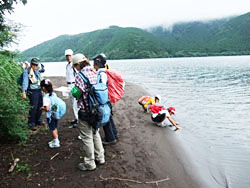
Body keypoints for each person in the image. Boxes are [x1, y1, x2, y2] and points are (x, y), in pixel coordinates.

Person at [72, 53, 105, 171]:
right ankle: (100, 157)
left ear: (77, 64)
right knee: (95, 133)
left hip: (85, 111)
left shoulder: (80, 76)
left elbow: (77, 94)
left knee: (86, 137)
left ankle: (90, 164)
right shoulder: (95, 72)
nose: (75, 68)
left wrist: (72, 91)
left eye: (75, 66)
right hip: (97, 110)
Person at [93, 53, 118, 145]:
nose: (93, 65)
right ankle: (114, 133)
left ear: (97, 64)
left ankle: (110, 138)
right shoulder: (105, 71)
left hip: (104, 99)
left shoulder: (101, 73)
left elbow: (102, 87)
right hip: (108, 98)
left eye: (94, 63)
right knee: (109, 116)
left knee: (105, 117)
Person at [22, 57, 43, 130]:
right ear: (31, 64)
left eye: (37, 65)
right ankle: (31, 123)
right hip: (32, 91)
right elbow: (25, 82)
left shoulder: (37, 70)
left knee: (40, 105)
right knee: (33, 107)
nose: (35, 67)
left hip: (39, 89)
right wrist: (24, 92)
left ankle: (38, 120)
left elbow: (40, 79)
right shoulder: (27, 71)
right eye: (34, 65)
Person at [40, 79, 60, 148]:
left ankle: (56, 142)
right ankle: (56, 140)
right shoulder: (54, 94)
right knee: (55, 127)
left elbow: (47, 109)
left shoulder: (46, 97)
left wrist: (42, 108)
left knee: (52, 128)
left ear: (43, 88)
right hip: (56, 114)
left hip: (50, 116)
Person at [65, 49, 79, 128]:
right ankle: (76, 118)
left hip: (74, 86)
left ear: (72, 55)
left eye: (69, 55)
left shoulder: (74, 65)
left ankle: (78, 119)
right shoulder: (67, 65)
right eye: (67, 56)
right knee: (72, 102)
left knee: (75, 104)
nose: (68, 57)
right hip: (69, 85)